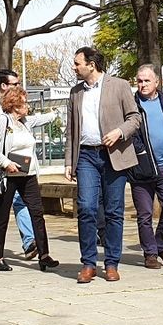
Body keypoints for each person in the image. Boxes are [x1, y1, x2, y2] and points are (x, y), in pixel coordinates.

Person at [64, 46, 141, 283]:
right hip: (86, 156)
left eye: (77, 63)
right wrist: (69, 161)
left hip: (113, 155)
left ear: (91, 64)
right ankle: (88, 263)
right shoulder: (75, 92)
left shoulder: (119, 86)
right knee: (86, 208)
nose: (74, 67)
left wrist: (119, 132)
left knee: (113, 211)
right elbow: (71, 130)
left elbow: (135, 118)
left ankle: (111, 263)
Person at [0, 69, 57, 259]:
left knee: (37, 213)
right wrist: (5, 162)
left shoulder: (25, 122)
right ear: (14, 105)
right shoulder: (1, 120)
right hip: (8, 175)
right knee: (1, 215)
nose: (28, 107)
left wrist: (54, 114)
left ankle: (44, 255)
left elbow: (40, 119)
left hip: (27, 174)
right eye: (24, 104)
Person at [129, 64, 163, 269]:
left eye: (147, 80)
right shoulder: (132, 104)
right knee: (145, 214)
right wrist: (140, 152)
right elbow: (130, 133)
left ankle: (161, 245)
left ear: (157, 82)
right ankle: (150, 253)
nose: (142, 84)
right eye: (139, 81)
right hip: (141, 169)